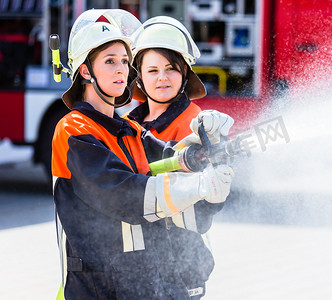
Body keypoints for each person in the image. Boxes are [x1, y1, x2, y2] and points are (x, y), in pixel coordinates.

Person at [52, 9, 234, 300]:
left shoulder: (131, 131)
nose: (122, 70)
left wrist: (211, 151)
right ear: (86, 71)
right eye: (110, 61)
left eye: (125, 61)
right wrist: (196, 186)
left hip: (146, 288)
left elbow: (179, 172)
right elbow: (123, 195)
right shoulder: (74, 131)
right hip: (99, 291)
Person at [123, 16, 230, 299]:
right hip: (139, 269)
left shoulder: (197, 124)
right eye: (153, 69)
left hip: (180, 270)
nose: (162, 77)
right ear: (139, 76)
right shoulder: (127, 125)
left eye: (171, 68)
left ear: (185, 73)